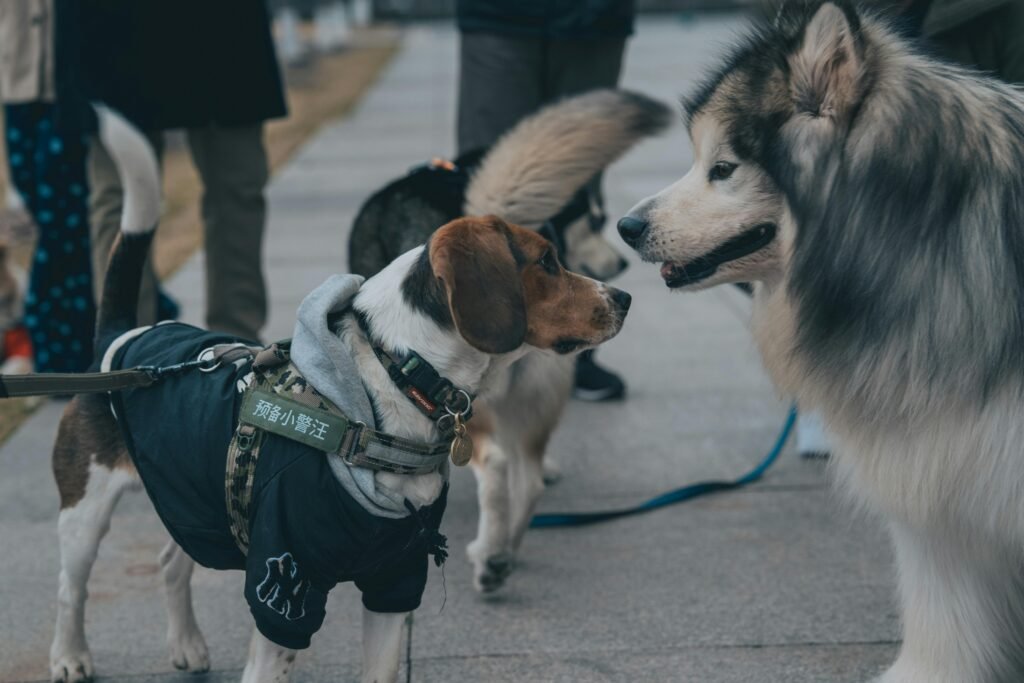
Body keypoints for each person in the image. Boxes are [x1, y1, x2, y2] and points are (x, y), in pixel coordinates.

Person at [56, 0, 288, 342]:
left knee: (238, 188)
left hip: (224, 25)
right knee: (120, 194)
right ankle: (126, 353)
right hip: (107, 20)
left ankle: (238, 347)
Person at [456, 0, 635, 401]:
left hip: (596, 18)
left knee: (579, 185)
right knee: (491, 185)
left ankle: (575, 344)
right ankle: (478, 349)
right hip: (497, 18)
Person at [1, 0, 96, 373]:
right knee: (49, 220)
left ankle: (60, 348)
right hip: (18, 82)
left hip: (71, 84)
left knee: (64, 223)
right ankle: (60, 345)